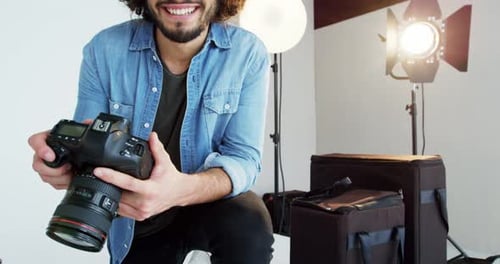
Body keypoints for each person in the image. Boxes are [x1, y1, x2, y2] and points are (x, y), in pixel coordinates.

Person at [28, 0, 274, 263]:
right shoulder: (104, 49)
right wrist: (62, 161)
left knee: (249, 223)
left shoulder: (247, 53)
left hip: (207, 202)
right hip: (136, 217)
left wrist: (180, 190)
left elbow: (244, 159)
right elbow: (90, 147)